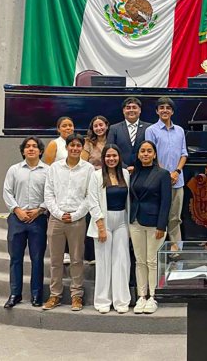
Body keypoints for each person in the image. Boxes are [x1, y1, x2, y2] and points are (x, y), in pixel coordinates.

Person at [42, 134, 102, 312]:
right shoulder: (54, 168)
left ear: (81, 148)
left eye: (78, 146)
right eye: (72, 145)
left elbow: (89, 196)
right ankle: (55, 295)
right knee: (56, 260)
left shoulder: (89, 169)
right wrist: (59, 213)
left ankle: (77, 296)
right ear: (67, 147)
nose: (75, 149)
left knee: (76, 260)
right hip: (56, 219)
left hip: (77, 219)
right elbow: (48, 193)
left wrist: (76, 215)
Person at [3, 136, 49, 309]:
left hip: (39, 219)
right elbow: (7, 192)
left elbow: (51, 194)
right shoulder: (14, 170)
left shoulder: (48, 171)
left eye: (34, 146)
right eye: (27, 146)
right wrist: (17, 210)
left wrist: (40, 210)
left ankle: (37, 294)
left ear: (40, 150)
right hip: (17, 219)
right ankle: (15, 293)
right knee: (15, 258)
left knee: (37, 258)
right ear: (23, 151)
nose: (31, 149)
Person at [129, 140, 172, 314]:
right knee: (140, 261)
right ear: (138, 154)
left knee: (152, 261)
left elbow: (166, 201)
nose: (145, 154)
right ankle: (141, 296)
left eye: (149, 151)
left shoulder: (162, 174)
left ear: (154, 154)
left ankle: (153, 296)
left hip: (155, 224)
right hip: (135, 222)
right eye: (142, 151)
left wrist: (162, 225)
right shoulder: (134, 173)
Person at [88, 144, 132, 313]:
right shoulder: (96, 176)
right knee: (104, 262)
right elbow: (92, 202)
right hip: (103, 222)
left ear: (119, 157)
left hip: (121, 222)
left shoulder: (126, 175)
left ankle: (121, 300)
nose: (111, 159)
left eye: (114, 156)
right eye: (108, 156)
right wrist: (100, 226)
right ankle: (102, 301)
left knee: (122, 262)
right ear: (103, 158)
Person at [144, 97, 188, 253]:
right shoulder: (151, 130)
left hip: (177, 181)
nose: (164, 110)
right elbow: (150, 155)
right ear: (157, 111)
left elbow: (184, 154)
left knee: (175, 218)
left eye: (168, 108)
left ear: (172, 111)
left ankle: (177, 252)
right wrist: (165, 174)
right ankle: (158, 252)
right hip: (158, 181)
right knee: (160, 217)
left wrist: (176, 172)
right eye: (161, 107)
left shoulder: (180, 130)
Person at [81, 115, 110, 265]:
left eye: (101, 125)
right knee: (92, 215)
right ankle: (90, 254)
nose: (99, 128)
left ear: (106, 126)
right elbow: (83, 163)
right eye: (96, 126)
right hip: (92, 182)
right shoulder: (88, 143)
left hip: (109, 181)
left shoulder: (112, 141)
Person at [107, 97, 151, 168]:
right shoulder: (114, 128)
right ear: (123, 110)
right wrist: (125, 167)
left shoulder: (149, 128)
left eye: (134, 107)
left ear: (140, 110)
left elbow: (152, 150)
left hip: (144, 169)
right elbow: (110, 150)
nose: (131, 110)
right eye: (128, 108)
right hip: (121, 170)